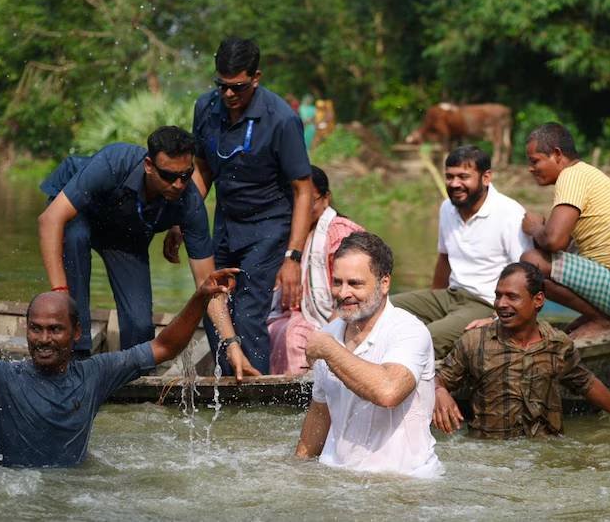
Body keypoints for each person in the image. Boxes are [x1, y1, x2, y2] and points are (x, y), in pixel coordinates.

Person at [0, 249, 241, 467]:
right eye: (36, 329)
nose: (44, 339)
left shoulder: (94, 375)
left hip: (73, 495)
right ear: (25, 329)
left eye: (55, 329)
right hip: (11, 494)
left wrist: (200, 297)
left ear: (76, 333)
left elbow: (164, 347)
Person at [179, 36, 313, 375]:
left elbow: (303, 189)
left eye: (237, 87)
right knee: (212, 298)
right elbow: (203, 170)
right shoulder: (205, 108)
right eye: (221, 86)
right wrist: (181, 220)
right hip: (225, 221)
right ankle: (228, 382)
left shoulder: (281, 119)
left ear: (256, 77)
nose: (228, 95)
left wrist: (293, 257)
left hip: (269, 224)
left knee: (249, 311)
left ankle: (255, 398)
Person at [37, 126, 227, 363]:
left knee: (140, 327)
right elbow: (50, 219)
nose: (179, 184)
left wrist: (232, 344)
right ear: (149, 165)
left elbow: (207, 283)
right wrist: (60, 296)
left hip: (125, 232)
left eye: (185, 176)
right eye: (169, 176)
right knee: (75, 238)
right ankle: (77, 350)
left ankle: (131, 370)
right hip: (79, 213)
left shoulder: (189, 202)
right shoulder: (113, 163)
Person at [433, 262, 610, 438]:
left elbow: (586, 383)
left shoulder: (557, 344)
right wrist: (439, 392)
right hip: (491, 455)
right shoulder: (474, 341)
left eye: (512, 297)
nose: (501, 304)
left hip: (545, 450)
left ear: (538, 300)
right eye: (498, 296)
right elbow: (438, 379)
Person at [295, 232, 442, 477]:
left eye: (355, 283)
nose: (342, 293)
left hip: (406, 481)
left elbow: (388, 392)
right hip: (337, 476)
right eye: (337, 282)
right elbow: (320, 412)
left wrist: (329, 350)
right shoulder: (329, 333)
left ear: (384, 283)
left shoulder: (409, 331)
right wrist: (296, 471)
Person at [391, 146, 532, 358]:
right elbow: (444, 258)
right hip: (450, 296)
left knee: (426, 339)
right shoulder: (447, 207)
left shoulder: (509, 213)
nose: (455, 184)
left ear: (486, 178)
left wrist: (496, 319)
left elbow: (526, 275)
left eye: (463, 177)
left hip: (485, 302)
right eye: (449, 177)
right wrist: (433, 300)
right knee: (382, 308)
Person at [520, 123, 610, 338]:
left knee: (531, 261)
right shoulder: (584, 174)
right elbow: (562, 246)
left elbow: (554, 241)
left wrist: (535, 228)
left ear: (557, 154)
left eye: (535, 161)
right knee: (540, 260)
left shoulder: (572, 176)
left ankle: (600, 320)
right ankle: (596, 317)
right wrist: (543, 232)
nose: (530, 168)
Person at [268, 165, 364, 374]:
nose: (299, 208)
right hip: (299, 314)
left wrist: (332, 332)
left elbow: (354, 290)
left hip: (338, 315)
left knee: (295, 336)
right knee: (268, 330)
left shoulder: (340, 231)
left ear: (326, 198)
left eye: (307, 201)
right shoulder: (290, 235)